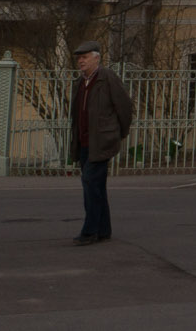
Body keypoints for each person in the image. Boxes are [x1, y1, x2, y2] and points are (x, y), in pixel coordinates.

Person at [69, 40, 133, 246]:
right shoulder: (80, 83)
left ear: (96, 58)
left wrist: (118, 133)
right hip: (85, 142)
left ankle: (90, 231)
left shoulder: (107, 78)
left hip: (102, 141)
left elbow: (124, 107)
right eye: (79, 58)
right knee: (96, 186)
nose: (81, 61)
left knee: (90, 184)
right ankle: (103, 229)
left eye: (85, 57)